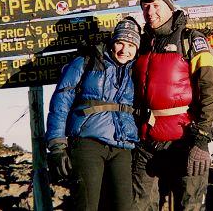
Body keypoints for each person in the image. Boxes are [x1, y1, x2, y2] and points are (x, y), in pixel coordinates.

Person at [132, 0, 213, 210]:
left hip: (184, 141)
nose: (150, 12)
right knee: (140, 206)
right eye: (145, 7)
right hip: (145, 143)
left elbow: (211, 91)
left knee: (189, 206)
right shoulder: (141, 44)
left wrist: (201, 141)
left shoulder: (191, 39)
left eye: (155, 5)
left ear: (170, 6)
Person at [45, 18, 141, 211]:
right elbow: (61, 102)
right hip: (88, 143)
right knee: (88, 205)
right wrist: (57, 144)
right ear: (112, 42)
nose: (124, 50)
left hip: (122, 146)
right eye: (120, 42)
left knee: (124, 207)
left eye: (131, 45)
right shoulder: (85, 62)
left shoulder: (136, 70)